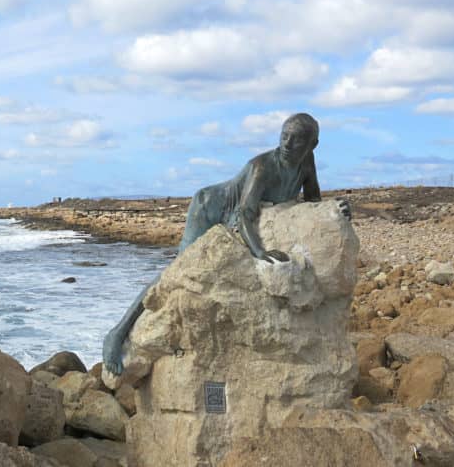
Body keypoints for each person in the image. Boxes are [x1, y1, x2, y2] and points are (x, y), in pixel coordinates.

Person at [102, 112, 350, 375]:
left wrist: (336, 211)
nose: (287, 144)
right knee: (174, 272)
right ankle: (117, 334)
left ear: (312, 145)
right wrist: (259, 252)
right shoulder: (262, 166)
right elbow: (244, 214)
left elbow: (312, 201)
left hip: (236, 213)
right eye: (284, 136)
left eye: (296, 139)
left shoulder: (306, 162)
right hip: (210, 207)